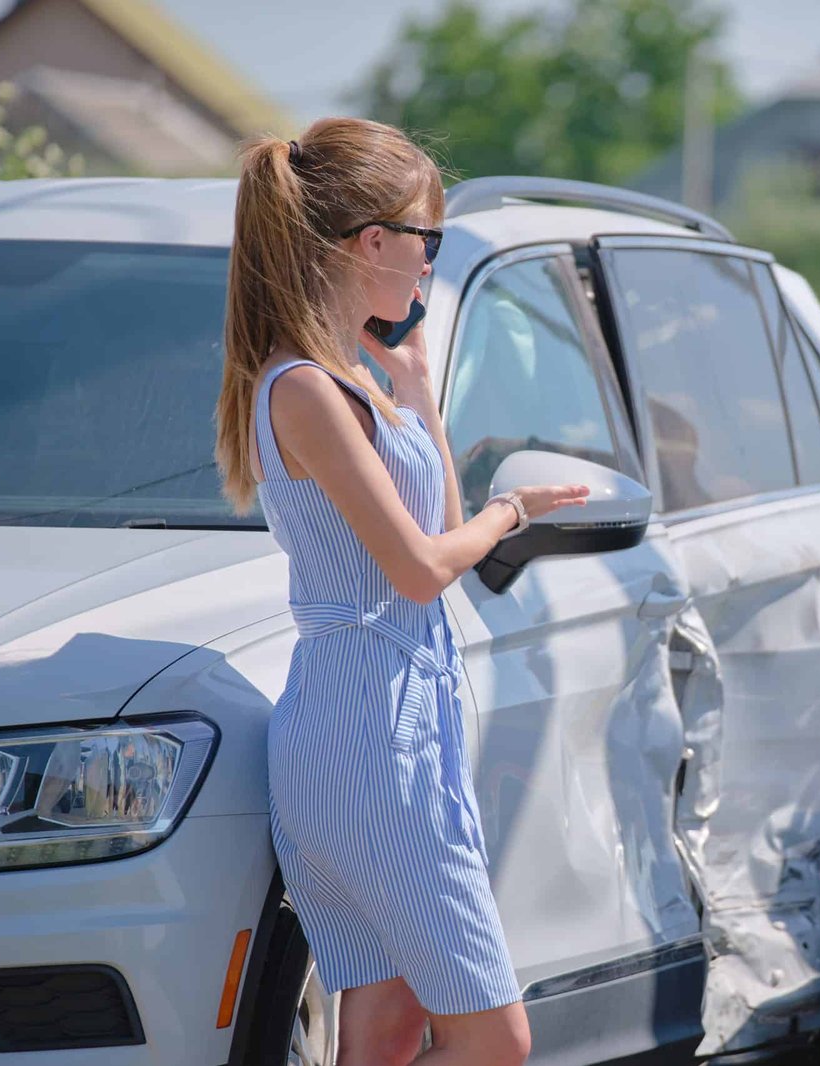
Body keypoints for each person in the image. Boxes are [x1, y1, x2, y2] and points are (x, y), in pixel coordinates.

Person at [213, 117, 588, 1066]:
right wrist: (511, 512)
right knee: (496, 1041)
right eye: (429, 240)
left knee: (382, 1032)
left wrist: (418, 390)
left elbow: (430, 538)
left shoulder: (353, 381)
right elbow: (421, 567)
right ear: (370, 242)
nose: (431, 264)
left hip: (389, 722)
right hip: (367, 735)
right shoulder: (303, 388)